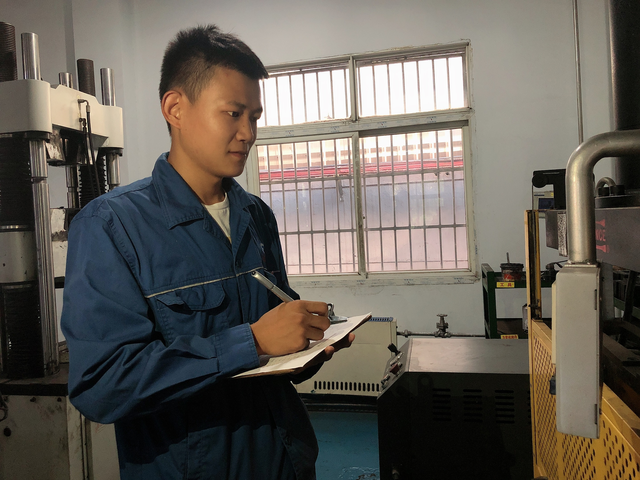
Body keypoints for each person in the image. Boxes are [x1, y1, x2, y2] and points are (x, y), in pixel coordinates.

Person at [61, 24, 354, 480]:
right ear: (175, 108)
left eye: (254, 116)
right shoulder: (111, 226)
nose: (248, 133)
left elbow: (275, 335)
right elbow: (103, 386)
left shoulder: (256, 215)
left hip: (283, 461)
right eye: (233, 113)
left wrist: (306, 344)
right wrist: (252, 342)